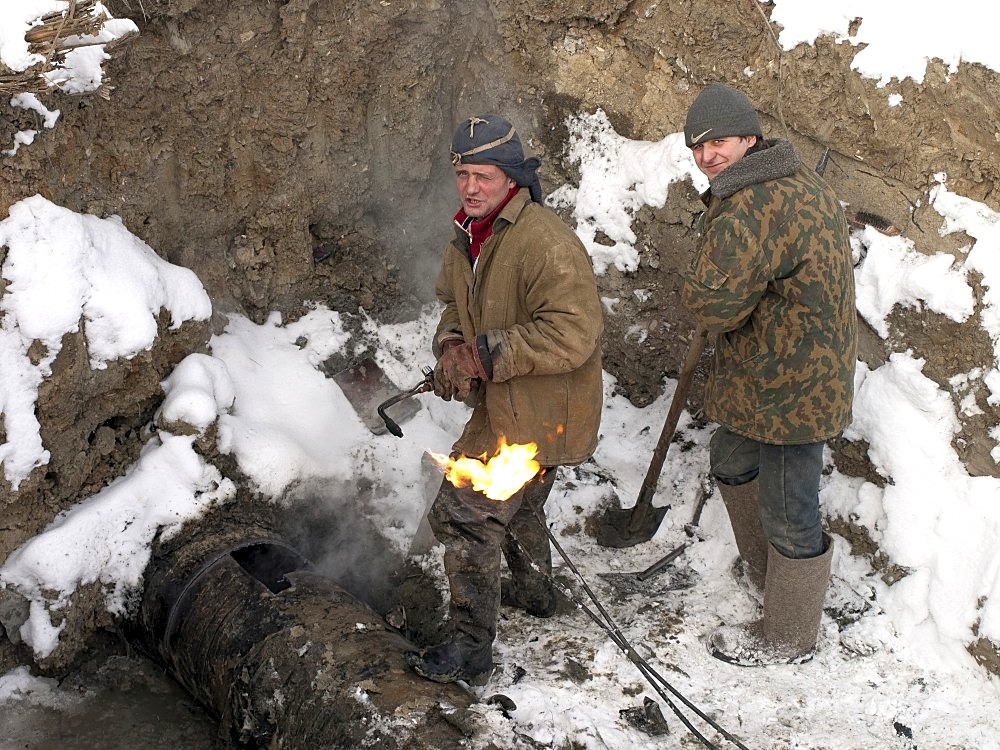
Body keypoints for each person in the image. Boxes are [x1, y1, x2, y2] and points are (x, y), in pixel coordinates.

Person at [404, 113, 604, 685]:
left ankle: (470, 650)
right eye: (464, 174)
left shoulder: (544, 241)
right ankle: (535, 592)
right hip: (507, 405)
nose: (471, 187)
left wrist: (486, 356)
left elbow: (574, 331)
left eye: (485, 176)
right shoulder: (470, 234)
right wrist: (450, 345)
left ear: (511, 178)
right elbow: (453, 304)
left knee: (464, 513)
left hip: (542, 413)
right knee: (522, 506)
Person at [680, 84, 857, 666]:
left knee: (789, 507)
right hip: (781, 369)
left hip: (792, 387)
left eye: (719, 142)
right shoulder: (791, 181)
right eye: (698, 147)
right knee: (731, 460)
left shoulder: (751, 204)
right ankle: (769, 575)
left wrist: (699, 279)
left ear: (749, 139)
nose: (708, 156)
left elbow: (716, 306)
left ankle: (788, 634)